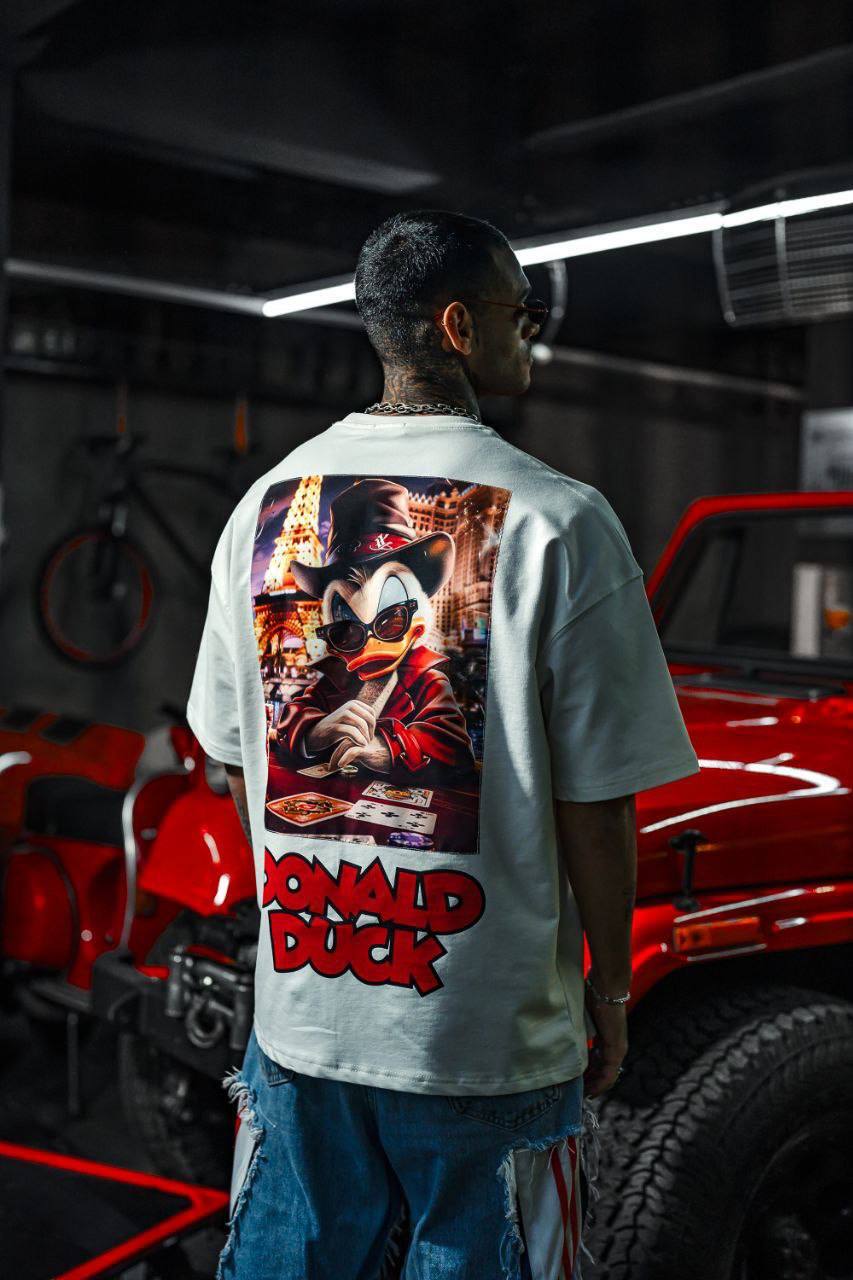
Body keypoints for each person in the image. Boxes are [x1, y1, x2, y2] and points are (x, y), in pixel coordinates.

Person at [186, 209, 700, 1280]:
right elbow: (598, 803)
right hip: (483, 1039)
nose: (533, 334)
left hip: (304, 1019)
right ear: (461, 326)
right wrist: (610, 993)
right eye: (523, 311)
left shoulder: (262, 507)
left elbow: (237, 758)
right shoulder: (560, 519)